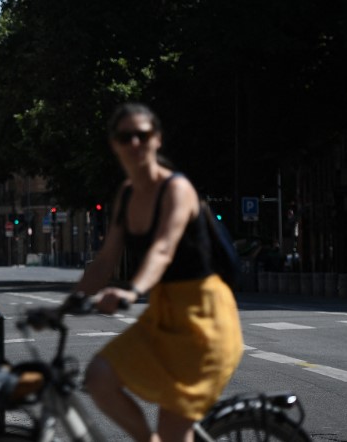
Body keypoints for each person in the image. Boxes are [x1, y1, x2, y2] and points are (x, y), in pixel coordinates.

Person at [64, 102, 243, 442]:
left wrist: (131, 291)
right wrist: (65, 306)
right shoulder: (127, 193)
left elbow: (163, 249)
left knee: (175, 431)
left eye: (142, 135)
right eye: (124, 136)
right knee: (100, 376)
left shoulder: (177, 189)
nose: (134, 143)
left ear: (157, 139)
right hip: (163, 315)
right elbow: (104, 262)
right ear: (114, 144)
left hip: (204, 319)